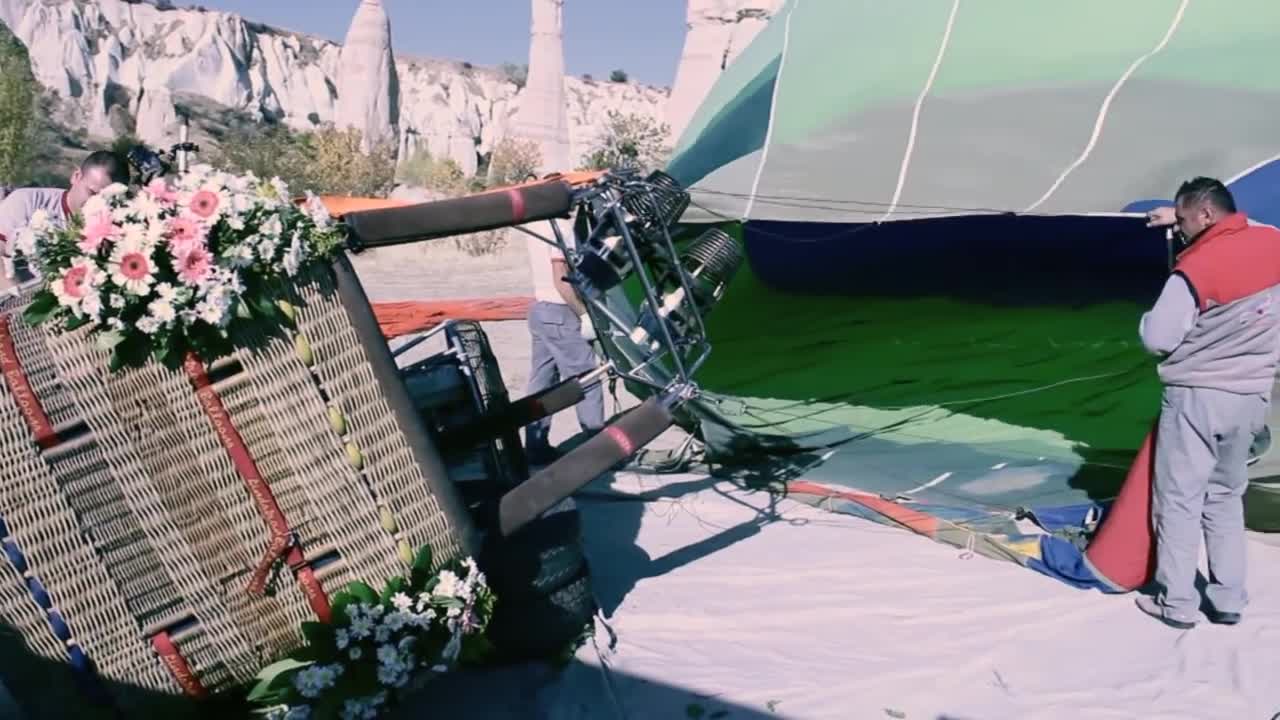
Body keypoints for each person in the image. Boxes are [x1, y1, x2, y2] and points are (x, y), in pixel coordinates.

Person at [1136, 177, 1280, 629]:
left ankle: (1177, 604)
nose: (1177, 229)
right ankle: (1228, 599)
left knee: (1179, 500)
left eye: (1180, 220)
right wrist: (1172, 213)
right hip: (1252, 395)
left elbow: (1157, 340)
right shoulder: (1272, 240)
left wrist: (1145, 320)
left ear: (1203, 216)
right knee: (1225, 496)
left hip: (1198, 398)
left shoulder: (1194, 269)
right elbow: (1245, 227)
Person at [523, 213, 606, 465]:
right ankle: (598, 449)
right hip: (561, 310)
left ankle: (535, 447)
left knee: (542, 381)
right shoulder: (562, 228)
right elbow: (561, 278)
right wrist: (584, 314)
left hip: (540, 310)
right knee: (587, 378)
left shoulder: (535, 222)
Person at [0, 150, 131, 291]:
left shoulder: (114, 234)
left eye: (107, 200)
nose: (97, 203)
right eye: (92, 193)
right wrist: (14, 298)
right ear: (76, 177)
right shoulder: (27, 201)